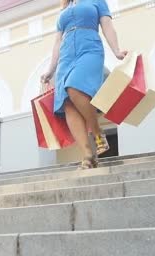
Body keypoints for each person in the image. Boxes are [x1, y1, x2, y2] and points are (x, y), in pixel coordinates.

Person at [41, 0, 127, 170]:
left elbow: (107, 25)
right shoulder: (65, 9)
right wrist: (51, 69)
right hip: (66, 56)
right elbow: (57, 41)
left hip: (89, 48)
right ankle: (87, 155)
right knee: (67, 103)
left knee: (74, 87)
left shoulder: (97, 1)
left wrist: (116, 50)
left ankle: (97, 132)